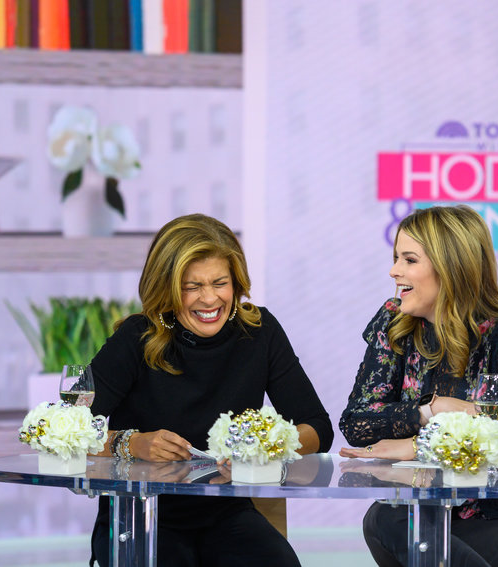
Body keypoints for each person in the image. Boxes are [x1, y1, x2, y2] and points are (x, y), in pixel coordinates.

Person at [88, 213, 334, 567]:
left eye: (220, 283)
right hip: (142, 513)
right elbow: (63, 427)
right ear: (168, 289)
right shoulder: (135, 336)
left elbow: (317, 427)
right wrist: (130, 442)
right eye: (192, 287)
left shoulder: (260, 331)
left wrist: (269, 445)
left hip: (226, 513)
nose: (209, 300)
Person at [339, 205, 498, 567]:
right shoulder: (394, 322)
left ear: (452, 266)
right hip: (413, 511)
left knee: (412, 540)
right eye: (396, 258)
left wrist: (416, 444)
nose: (394, 271)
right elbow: (358, 424)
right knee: (383, 519)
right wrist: (433, 408)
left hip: (496, 514)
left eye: (409, 259)